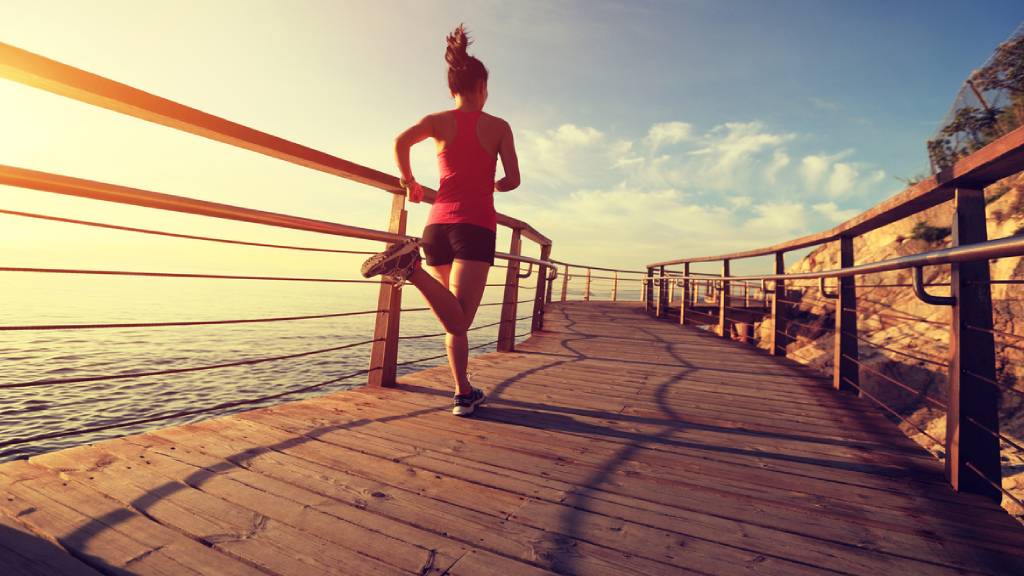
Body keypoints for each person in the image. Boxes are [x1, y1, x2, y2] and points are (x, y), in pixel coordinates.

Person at [361, 24, 520, 416]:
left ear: (453, 89)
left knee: (452, 315)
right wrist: (496, 185)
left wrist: (409, 180)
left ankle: (463, 392)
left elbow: (400, 141)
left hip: (437, 225)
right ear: (482, 86)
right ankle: (409, 268)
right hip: (475, 225)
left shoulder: (437, 120)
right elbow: (514, 179)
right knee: (462, 318)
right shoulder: (498, 127)